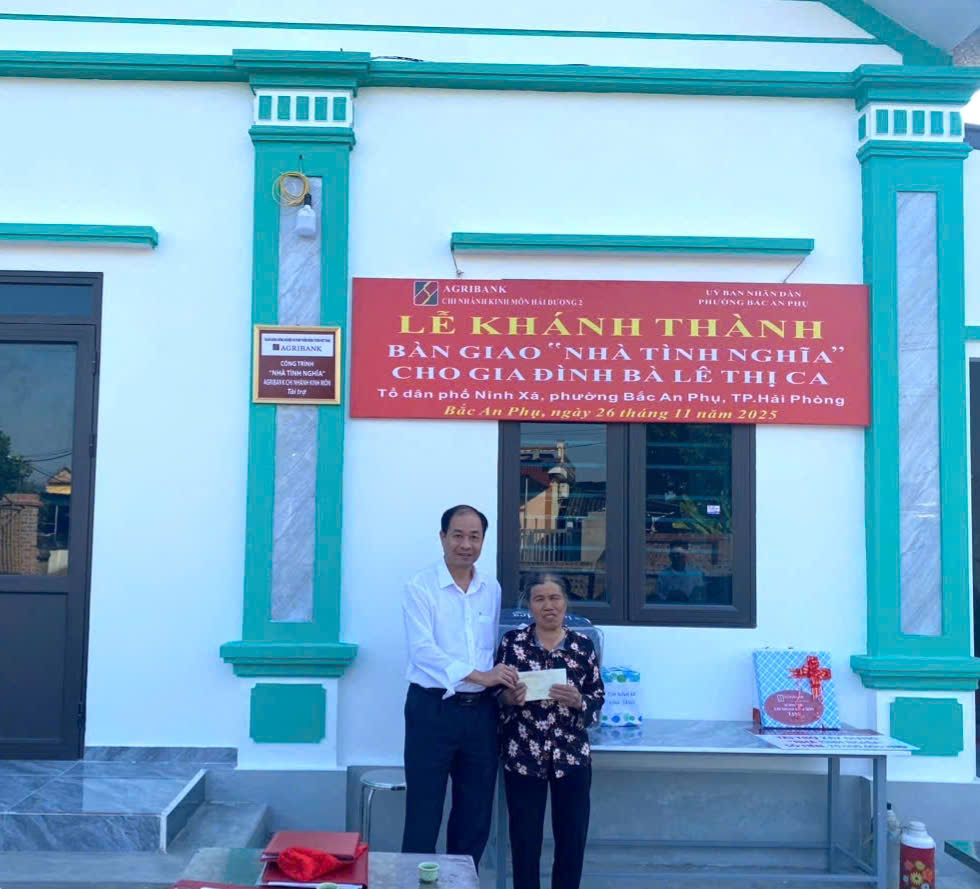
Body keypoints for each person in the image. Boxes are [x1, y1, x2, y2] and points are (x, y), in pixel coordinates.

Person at [401, 504, 519, 868]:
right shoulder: (420, 587)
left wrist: (501, 684)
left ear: (483, 541)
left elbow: (491, 647)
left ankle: (461, 882)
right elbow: (423, 652)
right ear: (442, 538)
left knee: (474, 814)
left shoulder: (490, 588)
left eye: (474, 537)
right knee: (424, 811)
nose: (466, 545)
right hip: (431, 710)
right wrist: (480, 675)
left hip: (481, 715)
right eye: (458, 535)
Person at [496, 572, 605, 889]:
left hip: (571, 757)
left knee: (571, 841)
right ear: (529, 605)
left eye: (555, 598)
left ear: (565, 602)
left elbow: (597, 696)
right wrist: (508, 698)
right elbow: (495, 695)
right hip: (523, 756)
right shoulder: (512, 643)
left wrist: (579, 701)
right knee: (524, 843)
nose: (548, 606)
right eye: (540, 599)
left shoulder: (582, 645)